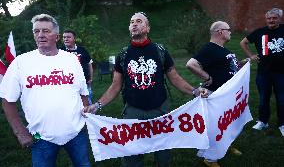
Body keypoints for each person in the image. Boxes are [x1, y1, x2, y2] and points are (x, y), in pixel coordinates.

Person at [82, 12, 209, 167]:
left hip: (159, 110)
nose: (134, 24)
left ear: (147, 28)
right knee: (132, 154)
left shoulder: (159, 51)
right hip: (133, 111)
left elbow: (175, 78)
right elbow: (115, 85)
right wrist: (97, 105)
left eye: (139, 21)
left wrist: (195, 91)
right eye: (131, 22)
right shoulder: (123, 54)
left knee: (163, 153)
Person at [0, 14, 91, 167]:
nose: (40, 35)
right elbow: (7, 100)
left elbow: (82, 92)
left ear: (57, 36)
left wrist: (88, 119)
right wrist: (20, 132)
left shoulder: (71, 60)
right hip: (41, 137)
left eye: (46, 31)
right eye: (36, 31)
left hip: (75, 132)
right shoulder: (21, 63)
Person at [186, 21, 244, 167]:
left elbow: (230, 67)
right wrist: (207, 77)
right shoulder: (210, 48)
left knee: (227, 122)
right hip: (217, 94)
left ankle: (224, 145)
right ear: (220, 31)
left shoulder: (222, 49)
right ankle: (210, 158)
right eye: (228, 30)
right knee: (215, 125)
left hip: (229, 94)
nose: (231, 32)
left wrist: (244, 63)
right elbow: (190, 64)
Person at [240, 8, 284, 136]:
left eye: (274, 18)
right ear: (266, 19)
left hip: (281, 72)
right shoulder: (260, 32)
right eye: (269, 18)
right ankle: (263, 121)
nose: (271, 20)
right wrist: (251, 55)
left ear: (279, 19)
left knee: (282, 99)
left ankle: (282, 124)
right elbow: (243, 42)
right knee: (263, 98)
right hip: (264, 72)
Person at [63, 29, 94, 104]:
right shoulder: (60, 51)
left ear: (74, 38)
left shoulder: (82, 50)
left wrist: (91, 78)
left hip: (84, 82)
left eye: (68, 37)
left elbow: (89, 64)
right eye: (64, 37)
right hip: (68, 85)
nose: (66, 39)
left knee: (87, 105)